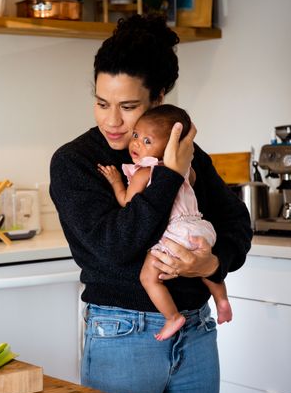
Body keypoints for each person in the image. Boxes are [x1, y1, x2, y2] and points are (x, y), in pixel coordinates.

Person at [49, 14, 252, 393]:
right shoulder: (75, 163)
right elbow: (115, 247)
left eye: (128, 107)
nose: (113, 122)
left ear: (159, 99)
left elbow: (236, 223)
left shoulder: (187, 154)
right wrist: (168, 177)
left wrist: (213, 262)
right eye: (102, 103)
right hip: (122, 334)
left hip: (196, 328)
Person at [97, 104, 233, 342]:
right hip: (200, 228)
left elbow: (127, 203)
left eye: (148, 141)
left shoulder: (143, 173)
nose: (137, 143)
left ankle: (172, 317)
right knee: (202, 266)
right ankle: (222, 299)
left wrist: (116, 181)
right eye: (137, 135)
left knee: (148, 277)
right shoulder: (187, 169)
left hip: (175, 234)